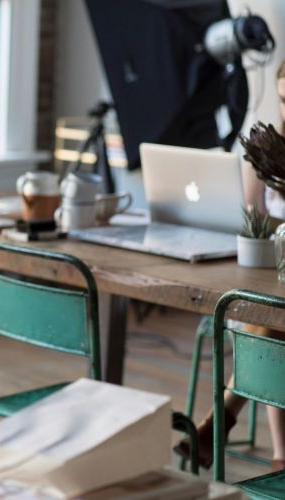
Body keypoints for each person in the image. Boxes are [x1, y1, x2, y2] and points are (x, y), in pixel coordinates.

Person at [174, 60, 285, 473]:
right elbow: (249, 218)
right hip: (267, 277)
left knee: (271, 319)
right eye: (283, 100)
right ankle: (277, 454)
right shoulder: (270, 150)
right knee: (267, 314)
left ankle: (219, 424)